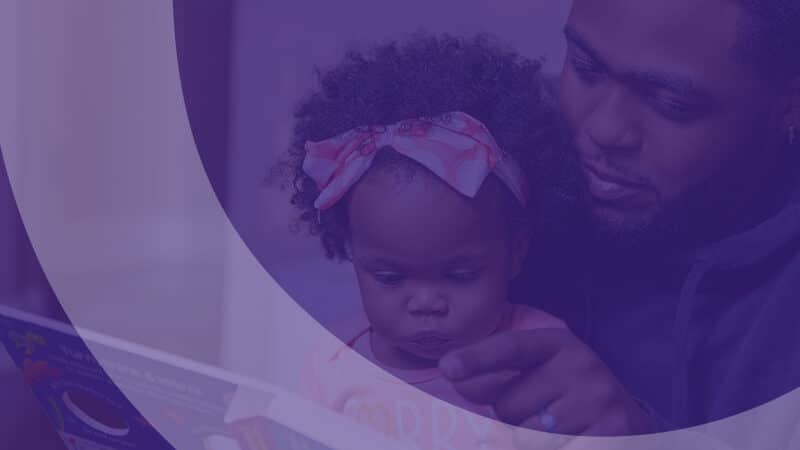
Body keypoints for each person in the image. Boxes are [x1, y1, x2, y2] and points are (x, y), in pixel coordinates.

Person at [439, 0, 800, 437]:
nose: (604, 129)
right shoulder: (498, 157)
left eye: (671, 102)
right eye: (586, 67)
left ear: (789, 106)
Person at [279, 34, 575, 446]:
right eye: (389, 277)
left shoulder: (537, 349)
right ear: (352, 252)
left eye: (460, 275)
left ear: (515, 252)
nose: (426, 304)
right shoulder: (330, 361)